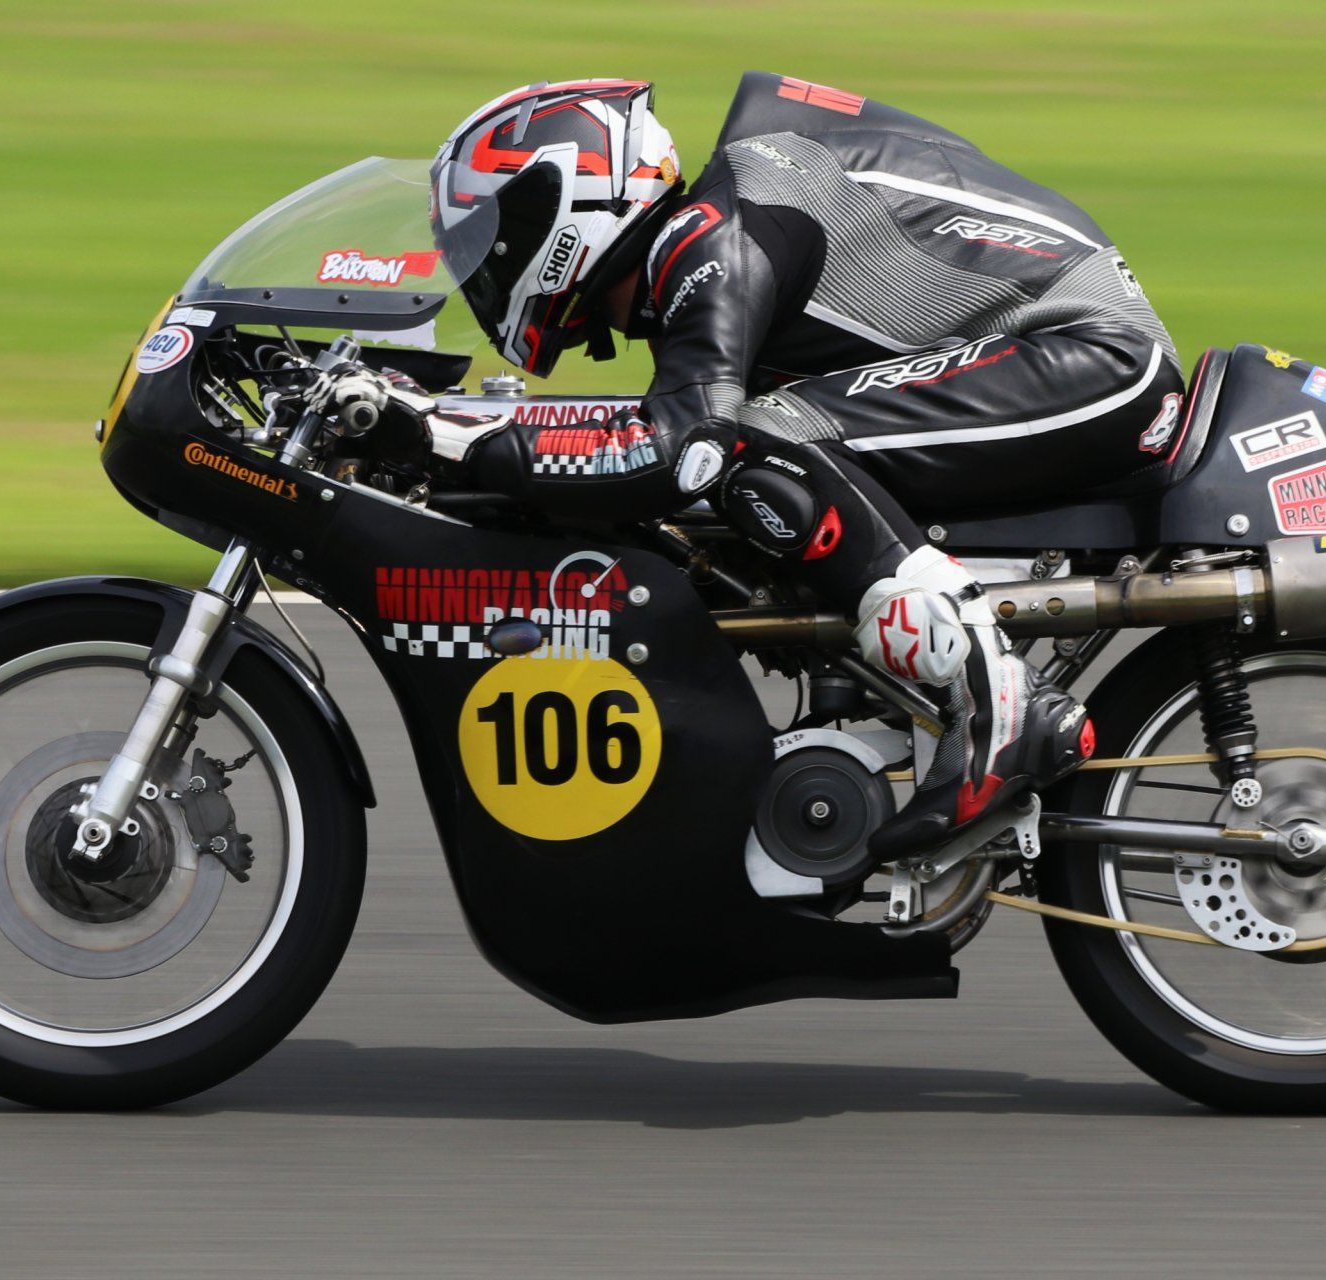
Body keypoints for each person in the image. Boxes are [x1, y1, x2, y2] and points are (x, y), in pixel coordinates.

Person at [418, 73, 1186, 857]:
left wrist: (452, 441)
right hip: (1063, 354)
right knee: (749, 450)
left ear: (567, 200)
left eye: (493, 235)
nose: (486, 263)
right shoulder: (711, 233)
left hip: (1093, 358)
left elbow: (679, 450)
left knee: (759, 438)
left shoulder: (715, 236)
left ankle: (996, 704)